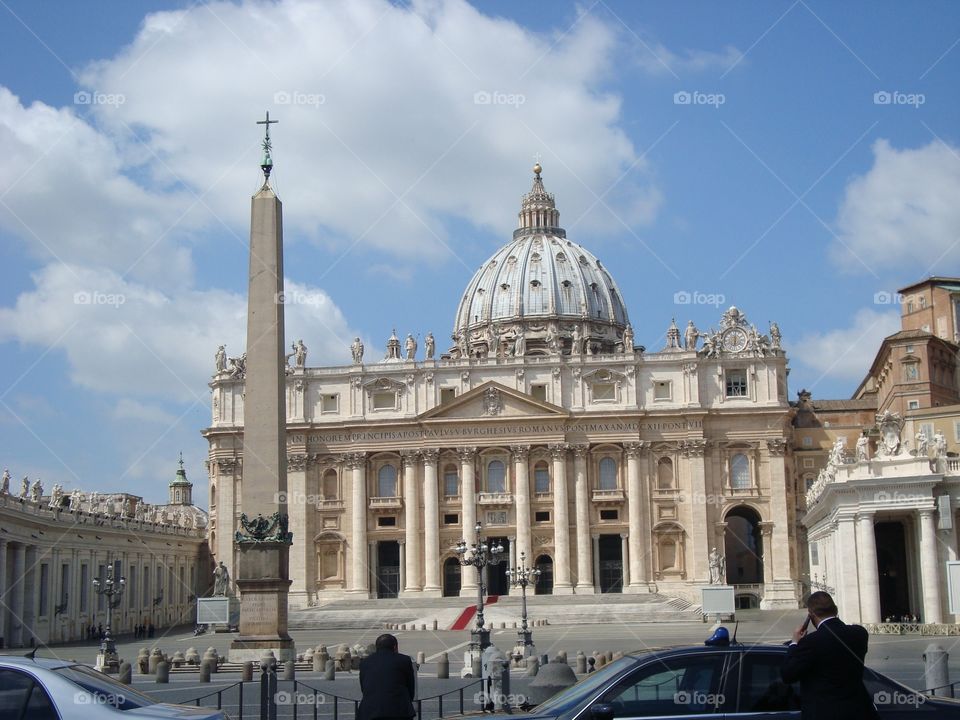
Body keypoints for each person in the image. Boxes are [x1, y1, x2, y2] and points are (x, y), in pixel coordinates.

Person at [781, 591, 879, 720]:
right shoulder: (860, 633)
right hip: (861, 712)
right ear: (836, 610)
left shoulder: (810, 642)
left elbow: (788, 675)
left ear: (810, 615)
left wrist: (794, 643)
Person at [358, 633, 415, 720]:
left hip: (369, 711)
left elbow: (364, 688)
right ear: (395, 647)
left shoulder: (365, 662)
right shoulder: (404, 660)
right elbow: (410, 688)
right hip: (399, 710)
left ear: (377, 647)